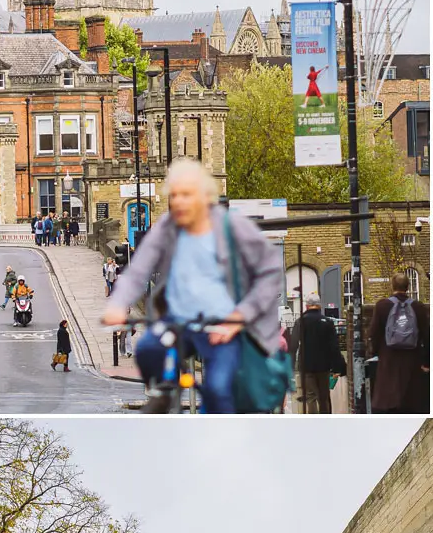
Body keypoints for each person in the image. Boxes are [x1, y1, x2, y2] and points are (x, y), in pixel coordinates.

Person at [101, 158, 283, 415]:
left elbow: (270, 269)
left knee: (218, 389)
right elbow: (138, 271)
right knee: (148, 348)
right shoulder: (167, 226)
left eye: (186, 195)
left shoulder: (231, 226)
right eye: (174, 195)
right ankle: (163, 391)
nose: (178, 202)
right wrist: (118, 304)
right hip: (179, 321)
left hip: (221, 324)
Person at [367, 271, 430, 413]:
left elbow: (374, 334)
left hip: (388, 362)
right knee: (412, 404)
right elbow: (426, 335)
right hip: (412, 363)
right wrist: (426, 363)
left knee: (388, 404)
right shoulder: (418, 307)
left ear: (392, 286)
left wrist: (375, 353)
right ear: (408, 287)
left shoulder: (382, 306)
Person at [287, 293, 345, 414]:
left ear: (307, 306)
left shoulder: (300, 322)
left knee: (310, 396)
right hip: (324, 365)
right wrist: (338, 367)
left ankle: (313, 421)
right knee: (324, 397)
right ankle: (326, 420)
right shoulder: (327, 322)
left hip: (306, 365)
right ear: (319, 305)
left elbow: (293, 345)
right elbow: (334, 346)